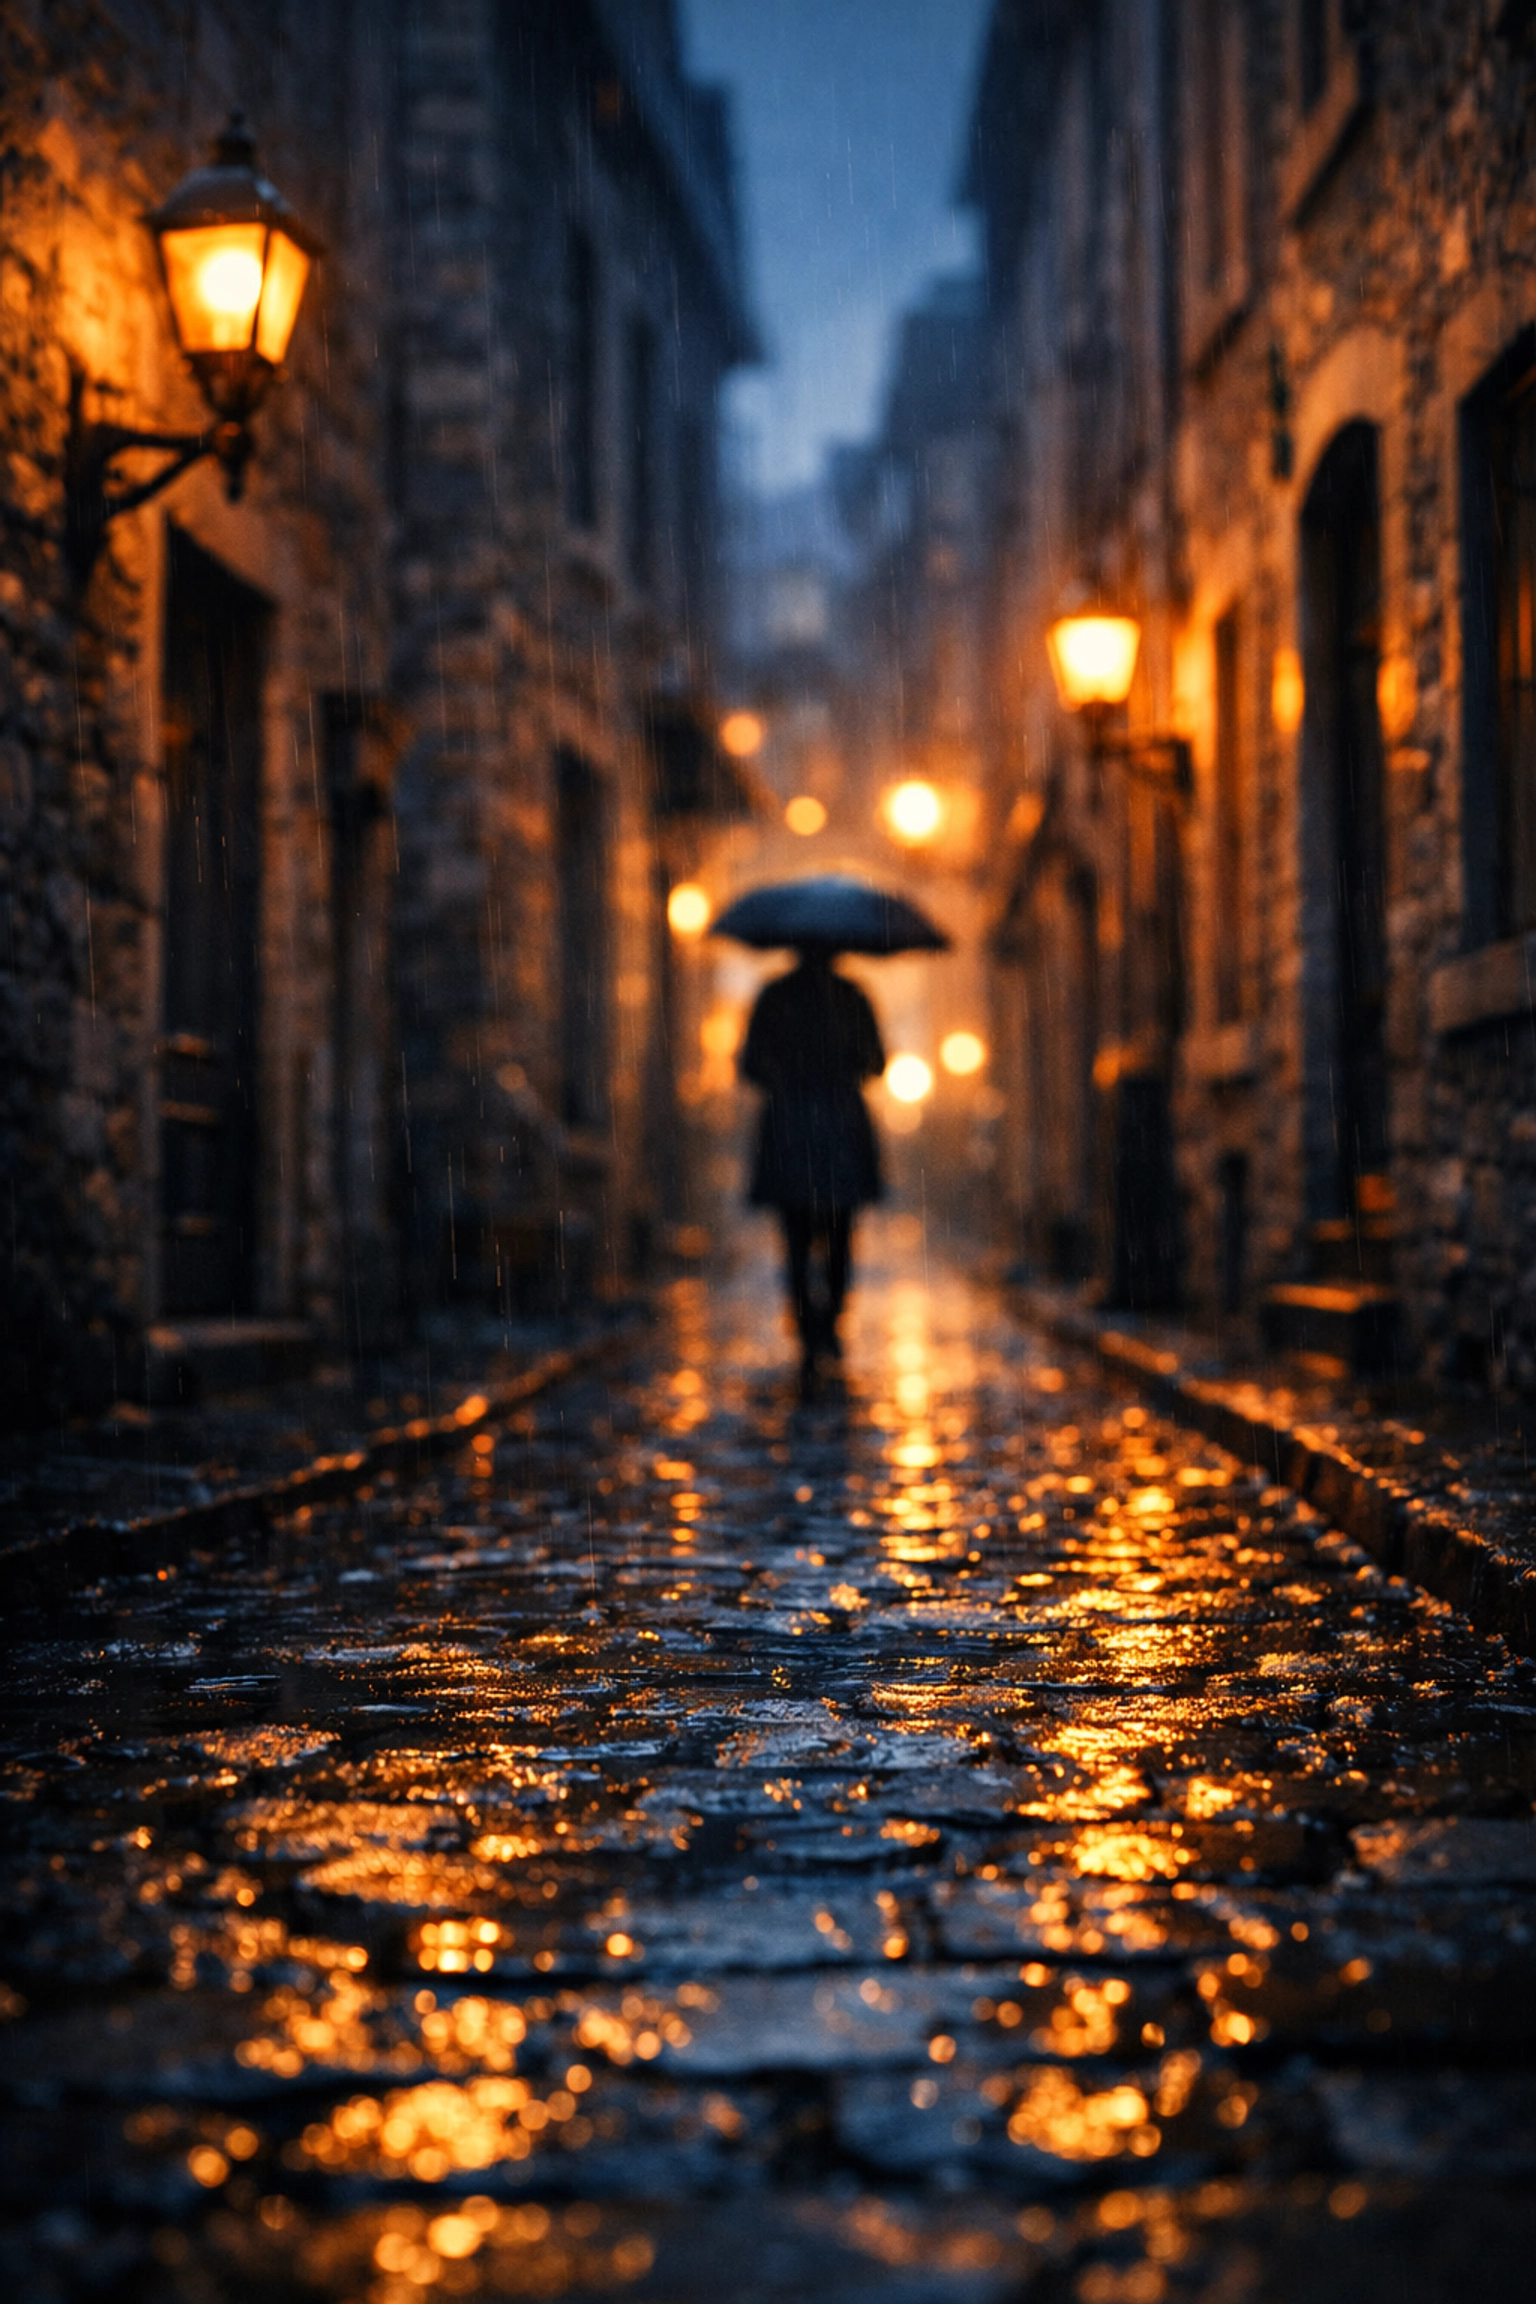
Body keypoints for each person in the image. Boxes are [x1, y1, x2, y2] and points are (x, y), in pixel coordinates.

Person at [739, 944, 886, 1389]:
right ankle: (829, 1327)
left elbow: (749, 1066)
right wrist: (844, 1066)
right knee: (840, 1235)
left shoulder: (774, 996)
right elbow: (877, 1063)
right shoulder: (852, 997)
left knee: (797, 1239)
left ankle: (808, 1334)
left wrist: (783, 1077)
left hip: (789, 1131)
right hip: (840, 1128)